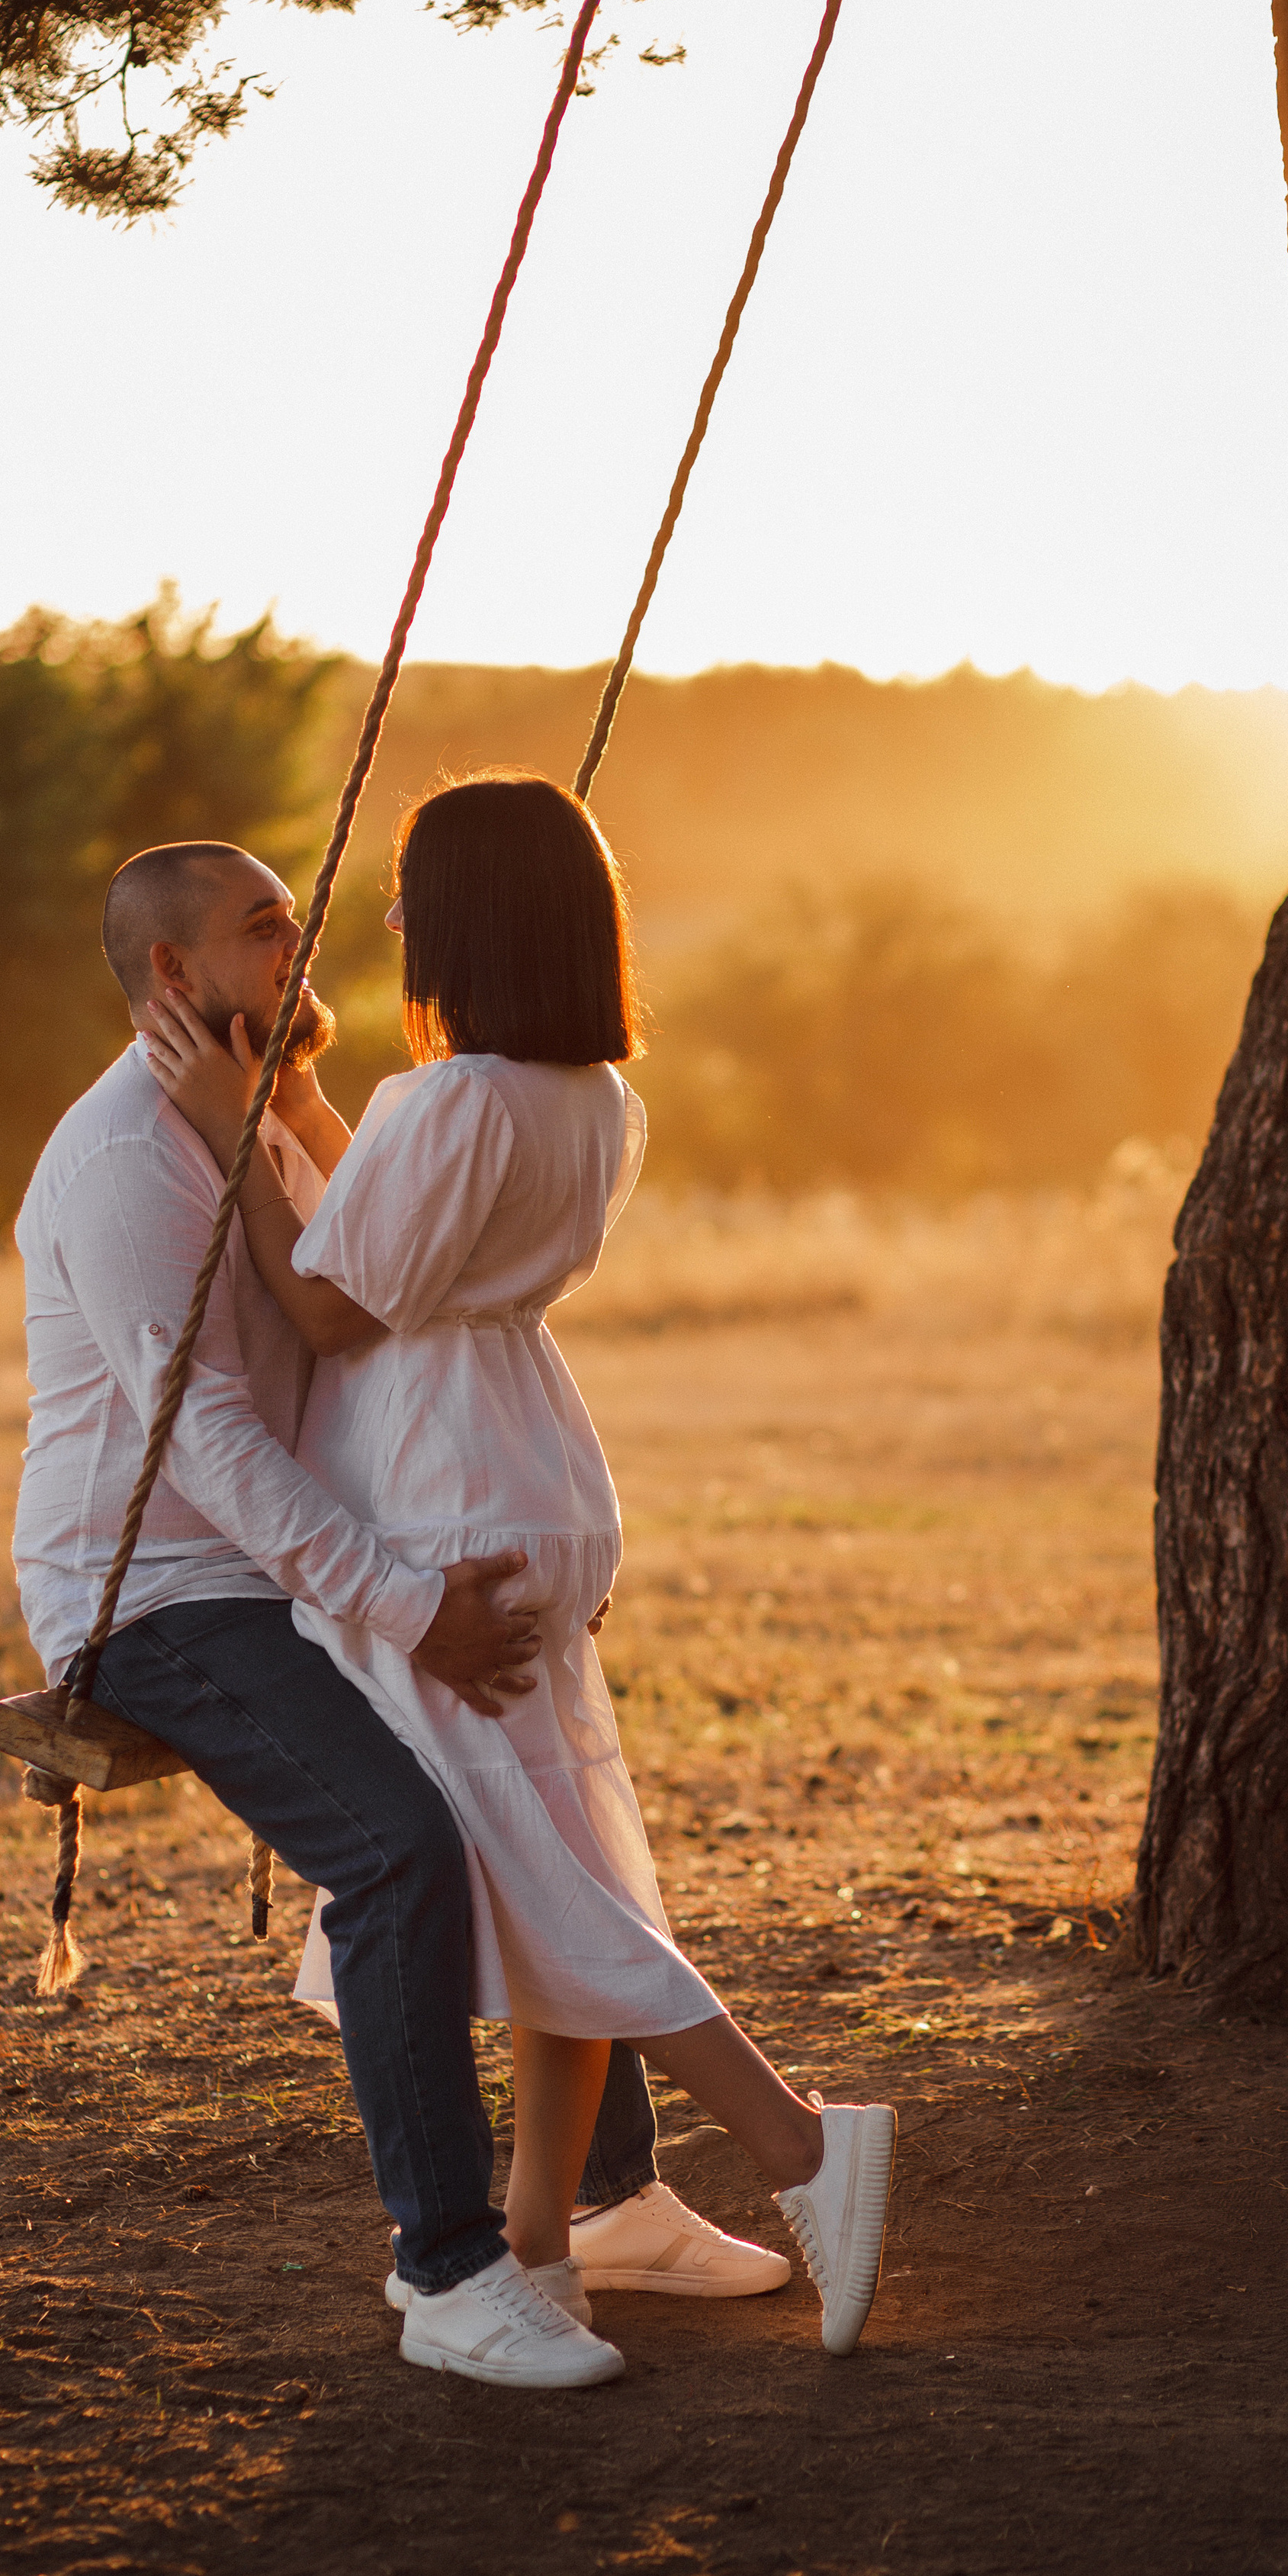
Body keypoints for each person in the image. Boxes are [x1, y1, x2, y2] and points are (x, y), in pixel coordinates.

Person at [139, 776, 898, 2362]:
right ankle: (544, 2244)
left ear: (472, 918)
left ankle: (799, 2142)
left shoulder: (449, 1101)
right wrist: (301, 1108)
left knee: (540, 1884)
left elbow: (335, 1302)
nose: (390, 920)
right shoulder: (589, 1099)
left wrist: (232, 1131)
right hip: (531, 1469)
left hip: (436, 1492)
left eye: (411, 896)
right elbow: (414, 1226)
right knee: (563, 1860)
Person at [11, 832, 784, 2393]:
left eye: (297, 920)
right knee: (401, 1849)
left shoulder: (257, 1117)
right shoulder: (128, 1160)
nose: (300, 950)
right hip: (163, 1593)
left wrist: (486, 1537)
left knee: (535, 1793)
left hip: (303, 1556)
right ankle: (448, 2271)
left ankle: (609, 2203)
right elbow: (210, 1443)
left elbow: (384, 1296)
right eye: (262, 931)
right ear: (172, 970)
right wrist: (410, 1604)